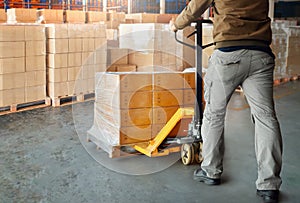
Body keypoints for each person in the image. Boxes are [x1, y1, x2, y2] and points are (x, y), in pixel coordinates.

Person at [170, 0, 283, 203]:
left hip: (229, 54)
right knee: (266, 118)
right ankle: (269, 185)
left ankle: (211, 170)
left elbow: (195, 7)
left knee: (214, 114)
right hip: (261, 54)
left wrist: (176, 24)